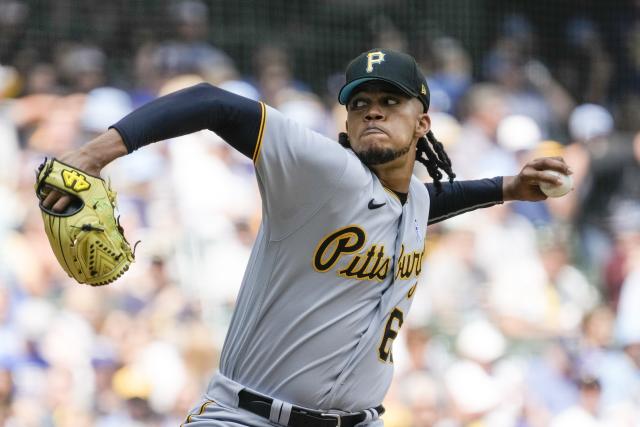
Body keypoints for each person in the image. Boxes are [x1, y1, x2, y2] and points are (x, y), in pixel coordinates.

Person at [40, 48, 571, 427]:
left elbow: (434, 200)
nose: (373, 110)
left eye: (391, 100)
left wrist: (508, 187)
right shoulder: (324, 169)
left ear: (424, 122)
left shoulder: (414, 204)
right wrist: (91, 156)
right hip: (247, 417)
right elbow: (210, 102)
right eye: (360, 103)